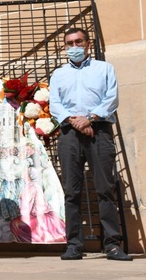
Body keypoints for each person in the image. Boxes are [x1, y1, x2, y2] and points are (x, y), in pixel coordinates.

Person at [49, 28, 132, 261]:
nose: (73, 47)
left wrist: (90, 118)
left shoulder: (104, 69)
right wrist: (75, 121)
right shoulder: (59, 74)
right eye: (68, 43)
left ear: (88, 44)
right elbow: (55, 104)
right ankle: (74, 244)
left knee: (105, 189)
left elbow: (111, 98)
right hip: (69, 134)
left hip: (99, 131)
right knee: (71, 191)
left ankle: (112, 244)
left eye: (78, 42)